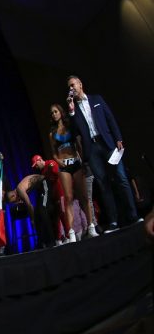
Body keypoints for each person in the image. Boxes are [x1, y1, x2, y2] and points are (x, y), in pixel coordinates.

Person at [66, 75, 138, 230]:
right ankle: (113, 221)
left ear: (80, 84)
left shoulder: (96, 99)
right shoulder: (74, 109)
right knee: (103, 184)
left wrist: (118, 138)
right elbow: (73, 134)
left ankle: (133, 215)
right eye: (69, 87)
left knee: (122, 178)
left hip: (107, 144)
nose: (71, 88)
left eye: (73, 85)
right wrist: (71, 113)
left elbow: (110, 118)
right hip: (92, 149)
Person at [48, 103, 97, 238]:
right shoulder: (52, 134)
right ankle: (71, 232)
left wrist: (83, 161)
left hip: (76, 162)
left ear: (61, 112)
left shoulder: (70, 127)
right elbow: (53, 153)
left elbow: (78, 144)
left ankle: (91, 226)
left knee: (83, 196)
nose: (54, 114)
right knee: (68, 197)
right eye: (52, 113)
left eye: (55, 111)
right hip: (64, 166)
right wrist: (59, 162)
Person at [32, 154, 74, 243]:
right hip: (53, 196)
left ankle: (69, 235)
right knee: (56, 216)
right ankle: (59, 238)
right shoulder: (43, 172)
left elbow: (57, 175)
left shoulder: (51, 163)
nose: (36, 167)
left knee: (63, 214)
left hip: (60, 193)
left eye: (36, 164)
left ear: (39, 160)